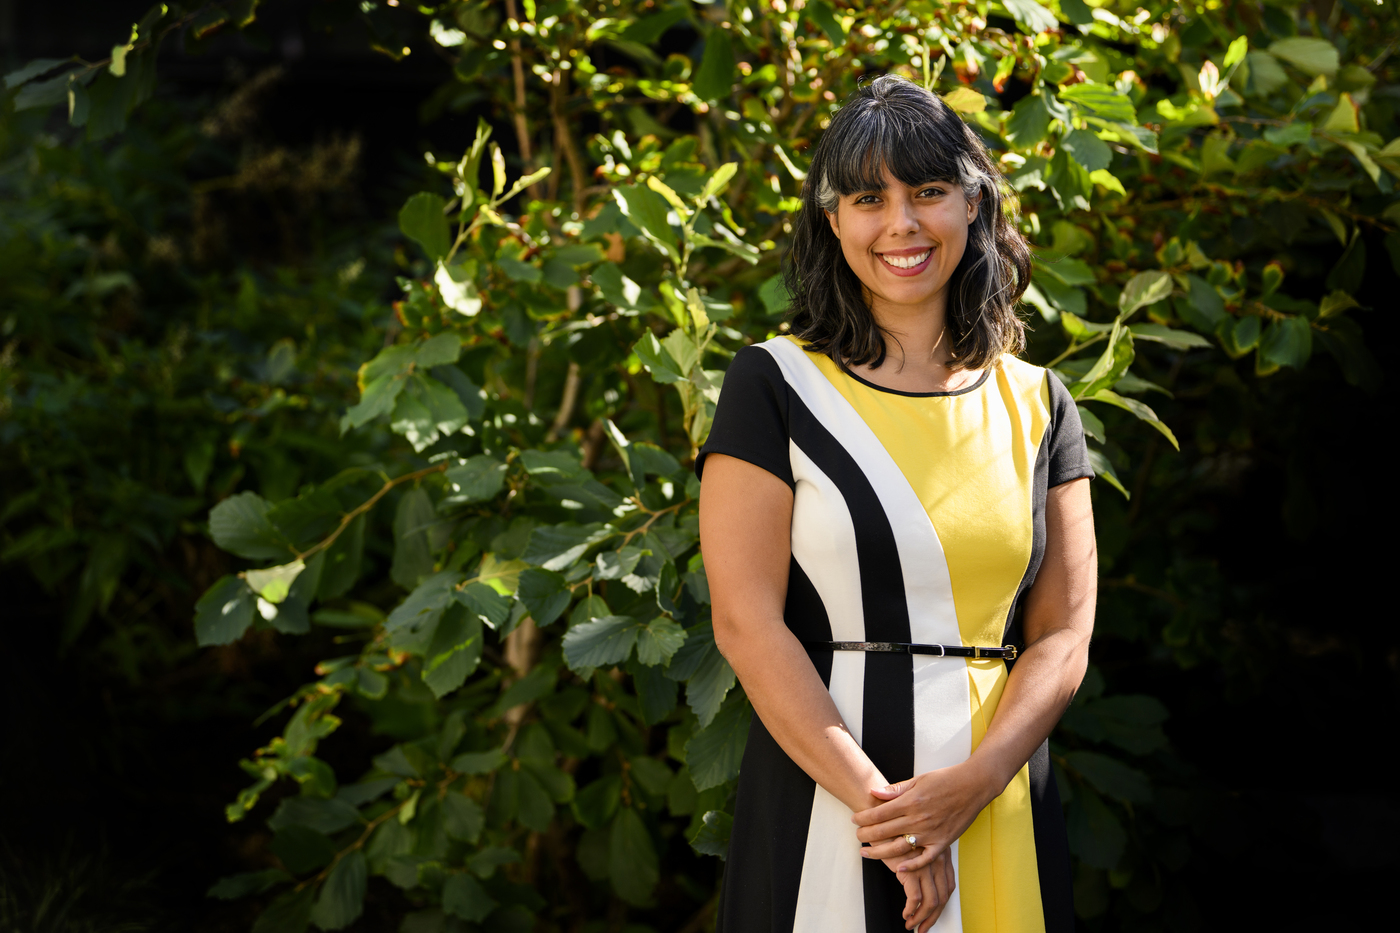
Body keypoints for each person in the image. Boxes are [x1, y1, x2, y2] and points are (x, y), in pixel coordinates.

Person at [696, 75, 1097, 933]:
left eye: (928, 193)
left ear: (974, 205)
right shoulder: (774, 384)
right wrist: (896, 818)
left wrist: (972, 786)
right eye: (869, 198)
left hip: (996, 798)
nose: (901, 225)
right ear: (833, 219)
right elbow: (745, 621)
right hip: (831, 802)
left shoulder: (1040, 402)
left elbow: (1063, 636)